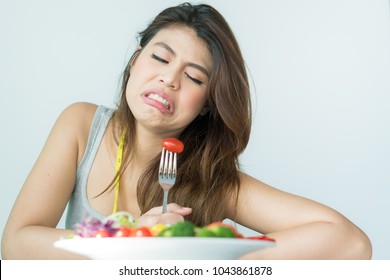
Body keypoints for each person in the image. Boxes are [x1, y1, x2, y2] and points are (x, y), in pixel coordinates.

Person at [1, 2, 371, 260]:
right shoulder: (81, 125)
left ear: (208, 102)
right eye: (160, 58)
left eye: (194, 77)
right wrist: (133, 244)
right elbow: (17, 244)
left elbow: (351, 244)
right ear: (135, 61)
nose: (169, 78)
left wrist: (203, 257)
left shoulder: (214, 181)